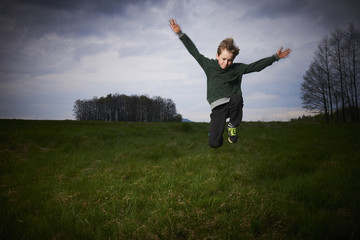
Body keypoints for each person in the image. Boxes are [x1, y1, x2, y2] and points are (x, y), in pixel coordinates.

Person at [169, 19, 291, 148]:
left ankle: (232, 125)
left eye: (230, 60)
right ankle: (217, 136)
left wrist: (275, 57)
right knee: (214, 144)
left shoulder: (237, 69)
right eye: (224, 59)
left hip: (232, 103)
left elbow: (255, 66)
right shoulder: (209, 65)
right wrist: (180, 34)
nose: (226, 63)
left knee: (237, 98)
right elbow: (194, 52)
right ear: (217, 56)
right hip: (218, 108)